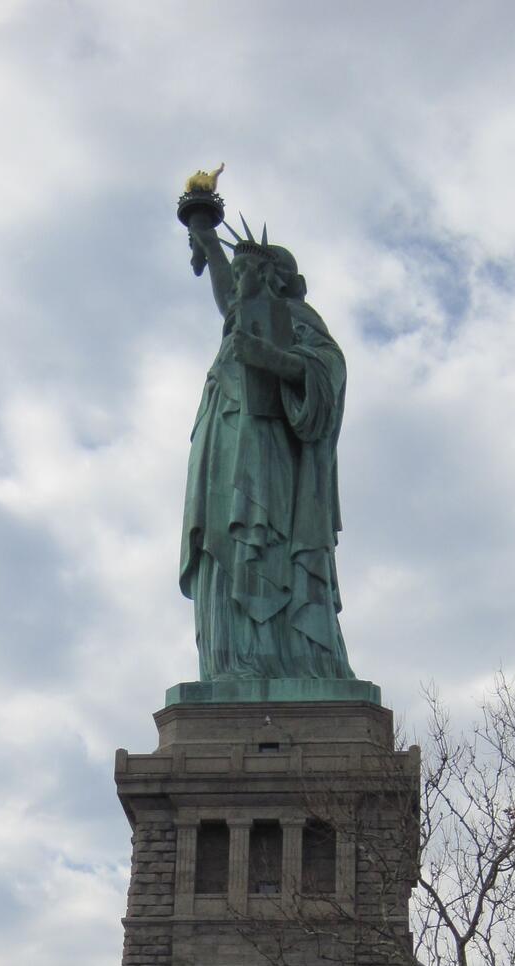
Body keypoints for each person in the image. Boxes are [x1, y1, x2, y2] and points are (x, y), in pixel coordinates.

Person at [181, 222, 356, 683]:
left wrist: (268, 357)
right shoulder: (242, 318)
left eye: (246, 273)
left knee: (262, 546)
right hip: (223, 444)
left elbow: (328, 368)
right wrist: (205, 237)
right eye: (234, 275)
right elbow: (227, 297)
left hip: (267, 449)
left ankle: (289, 660)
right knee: (224, 551)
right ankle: (231, 663)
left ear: (274, 277)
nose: (236, 284)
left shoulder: (292, 315)